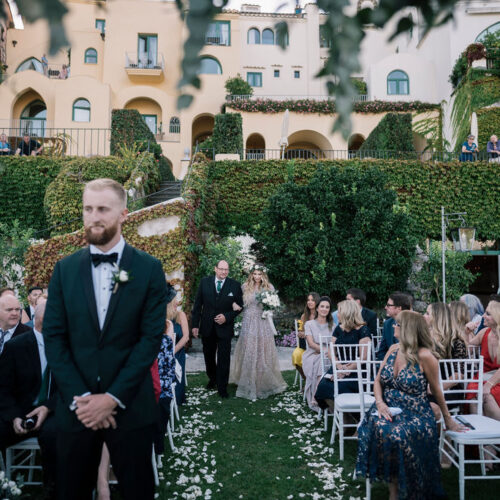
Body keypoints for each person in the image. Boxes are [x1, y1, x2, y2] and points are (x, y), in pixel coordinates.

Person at [43, 178, 168, 500]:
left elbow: (150, 339)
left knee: (136, 491)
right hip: (77, 410)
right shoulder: (63, 270)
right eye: (87, 209)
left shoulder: (149, 269)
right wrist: (82, 398)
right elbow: (54, 339)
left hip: (130, 408)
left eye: (102, 209)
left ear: (124, 214)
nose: (93, 216)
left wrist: (112, 398)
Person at [356, 311, 465, 500]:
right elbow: (377, 381)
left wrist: (448, 419)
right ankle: (395, 490)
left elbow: (437, 390)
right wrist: (380, 403)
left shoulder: (426, 356)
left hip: (416, 412)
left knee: (396, 435)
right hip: (386, 407)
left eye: (397, 324)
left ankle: (403, 489)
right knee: (381, 428)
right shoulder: (393, 349)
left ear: (408, 329)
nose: (393, 327)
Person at [0, 299, 57, 497]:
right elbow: (3, 389)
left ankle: (52, 490)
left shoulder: (67, 347)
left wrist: (48, 408)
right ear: (41, 321)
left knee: (55, 436)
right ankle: (5, 487)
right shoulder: (16, 347)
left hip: (53, 411)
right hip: (21, 411)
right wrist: (14, 416)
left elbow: (71, 388)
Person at [229, 265, 287, 400]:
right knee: (249, 349)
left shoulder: (269, 288)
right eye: (254, 273)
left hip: (262, 321)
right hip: (248, 321)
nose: (256, 276)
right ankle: (247, 380)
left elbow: (273, 305)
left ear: (263, 275)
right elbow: (237, 302)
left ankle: (260, 383)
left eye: (259, 274)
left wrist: (269, 310)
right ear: (251, 274)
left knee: (262, 350)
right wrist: (233, 305)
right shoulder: (244, 287)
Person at [191, 260, 243, 398]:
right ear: (215, 269)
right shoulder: (204, 282)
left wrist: (227, 316)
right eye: (221, 269)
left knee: (224, 358)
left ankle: (222, 387)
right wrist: (195, 325)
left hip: (225, 328)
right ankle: (212, 378)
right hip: (207, 327)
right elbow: (197, 306)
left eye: (226, 269)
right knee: (208, 356)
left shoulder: (235, 285)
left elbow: (240, 307)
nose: (224, 272)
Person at [315, 299, 371, 411]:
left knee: (339, 386)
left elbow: (364, 357)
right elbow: (331, 351)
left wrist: (346, 369)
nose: (337, 314)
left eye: (339, 311)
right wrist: (339, 366)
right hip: (338, 367)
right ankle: (342, 416)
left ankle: (353, 417)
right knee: (322, 386)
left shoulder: (363, 330)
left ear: (347, 313)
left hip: (357, 371)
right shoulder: (339, 329)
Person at [467, 301, 500, 421]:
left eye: (488, 313)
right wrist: (468, 331)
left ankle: (495, 434)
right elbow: (469, 346)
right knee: (473, 391)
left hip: (496, 379)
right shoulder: (484, 332)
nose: (483, 316)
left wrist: (489, 385)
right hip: (482, 378)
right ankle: (479, 434)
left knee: (486, 395)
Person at [302, 296, 334, 411]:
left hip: (327, 356)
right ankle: (318, 392)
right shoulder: (309, 324)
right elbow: (311, 344)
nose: (324, 309)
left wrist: (328, 353)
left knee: (324, 360)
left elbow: (334, 344)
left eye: (327, 307)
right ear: (317, 308)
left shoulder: (333, 326)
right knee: (323, 359)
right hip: (312, 355)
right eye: (322, 306)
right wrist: (326, 351)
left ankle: (317, 391)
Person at [293, 293, 320, 383]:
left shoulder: (321, 315)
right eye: (308, 300)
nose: (310, 302)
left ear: (317, 302)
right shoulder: (304, 316)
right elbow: (302, 330)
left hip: (317, 346)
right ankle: (307, 381)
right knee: (296, 354)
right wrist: (301, 333)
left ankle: (314, 381)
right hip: (306, 346)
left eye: (312, 300)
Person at [376, 292, 412, 360]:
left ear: (399, 308)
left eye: (388, 305)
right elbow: (381, 351)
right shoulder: (387, 324)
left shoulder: (413, 324)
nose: (385, 307)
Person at [168, 294, 189, 405]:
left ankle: (177, 397)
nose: (177, 303)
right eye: (174, 301)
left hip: (177, 352)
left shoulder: (181, 315)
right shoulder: (160, 317)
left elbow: (186, 337)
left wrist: (173, 351)